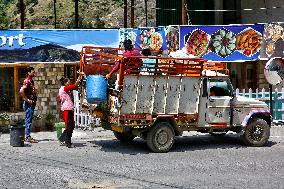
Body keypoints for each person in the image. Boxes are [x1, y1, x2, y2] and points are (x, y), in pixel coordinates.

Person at [58, 73, 83, 148]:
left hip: (69, 109)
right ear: (65, 83)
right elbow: (75, 86)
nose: (69, 83)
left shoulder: (65, 89)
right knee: (68, 126)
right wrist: (79, 78)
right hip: (66, 109)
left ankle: (62, 138)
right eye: (68, 82)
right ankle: (68, 143)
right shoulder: (64, 88)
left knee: (71, 126)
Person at [20, 67, 38, 143]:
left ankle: (27, 136)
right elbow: (21, 91)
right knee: (28, 120)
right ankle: (27, 137)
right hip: (28, 104)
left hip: (31, 103)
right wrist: (27, 99)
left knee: (29, 120)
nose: (34, 73)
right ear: (28, 73)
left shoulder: (31, 81)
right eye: (33, 72)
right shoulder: (27, 81)